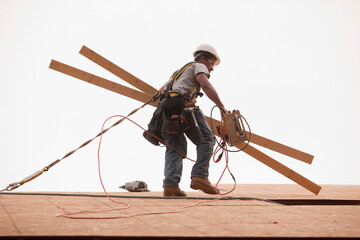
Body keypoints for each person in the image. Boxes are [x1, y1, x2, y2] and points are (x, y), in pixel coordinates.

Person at [158, 44, 227, 197]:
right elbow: (205, 84)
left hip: (167, 109)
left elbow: (160, 91)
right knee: (207, 139)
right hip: (184, 106)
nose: (212, 68)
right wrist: (221, 107)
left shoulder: (176, 74)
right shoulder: (198, 66)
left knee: (175, 147)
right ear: (203, 58)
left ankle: (170, 186)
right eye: (211, 63)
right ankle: (200, 176)